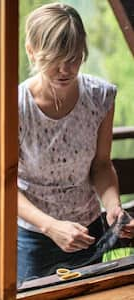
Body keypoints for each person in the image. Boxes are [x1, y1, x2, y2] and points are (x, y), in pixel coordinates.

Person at [17, 2, 134, 284]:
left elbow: (102, 165)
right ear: (31, 51)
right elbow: (2, 183)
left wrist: (114, 207)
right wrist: (50, 227)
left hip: (89, 230)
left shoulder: (100, 97)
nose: (64, 69)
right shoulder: (15, 106)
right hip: (34, 237)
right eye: (54, 59)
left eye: (73, 57)